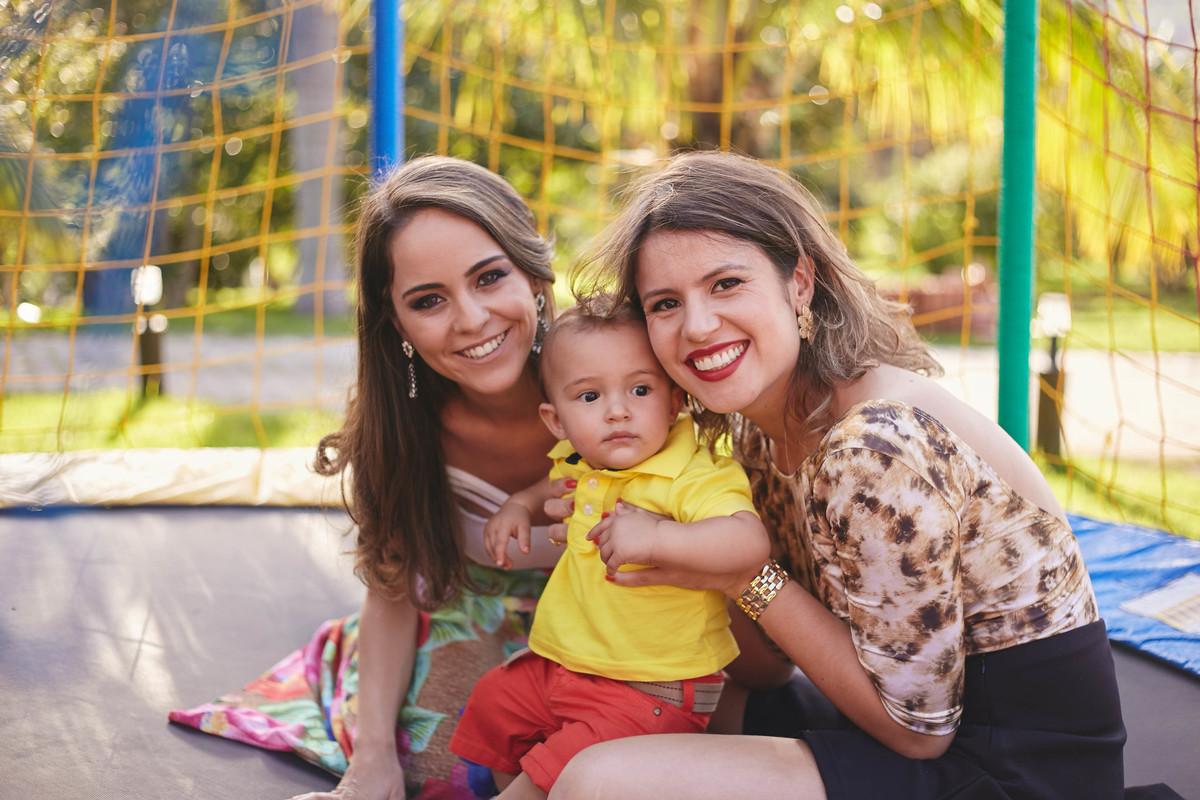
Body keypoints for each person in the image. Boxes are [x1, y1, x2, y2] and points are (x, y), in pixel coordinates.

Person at [550, 150, 1126, 800]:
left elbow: (919, 733)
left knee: (598, 781)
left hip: (1015, 771)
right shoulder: (762, 435)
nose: (698, 326)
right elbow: (767, 670)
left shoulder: (873, 447)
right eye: (664, 303)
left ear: (799, 282)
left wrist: (739, 573)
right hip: (905, 731)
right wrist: (682, 550)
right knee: (676, 706)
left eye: (726, 284)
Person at [170, 155, 570, 800]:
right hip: (466, 608)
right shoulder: (404, 428)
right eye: (429, 300)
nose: (470, 319)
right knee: (443, 766)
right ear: (396, 322)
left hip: (612, 618)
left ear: (533, 270)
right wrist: (373, 755)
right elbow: (393, 588)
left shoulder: (620, 380)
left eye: (490, 277)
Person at [448, 301, 769, 798]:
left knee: (561, 770)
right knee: (494, 700)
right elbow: (552, 484)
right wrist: (520, 505)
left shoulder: (693, 475)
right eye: (590, 396)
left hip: (654, 686)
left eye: (640, 390)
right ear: (556, 421)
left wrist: (659, 537)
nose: (618, 410)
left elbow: (749, 542)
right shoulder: (581, 461)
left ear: (674, 402)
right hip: (567, 664)